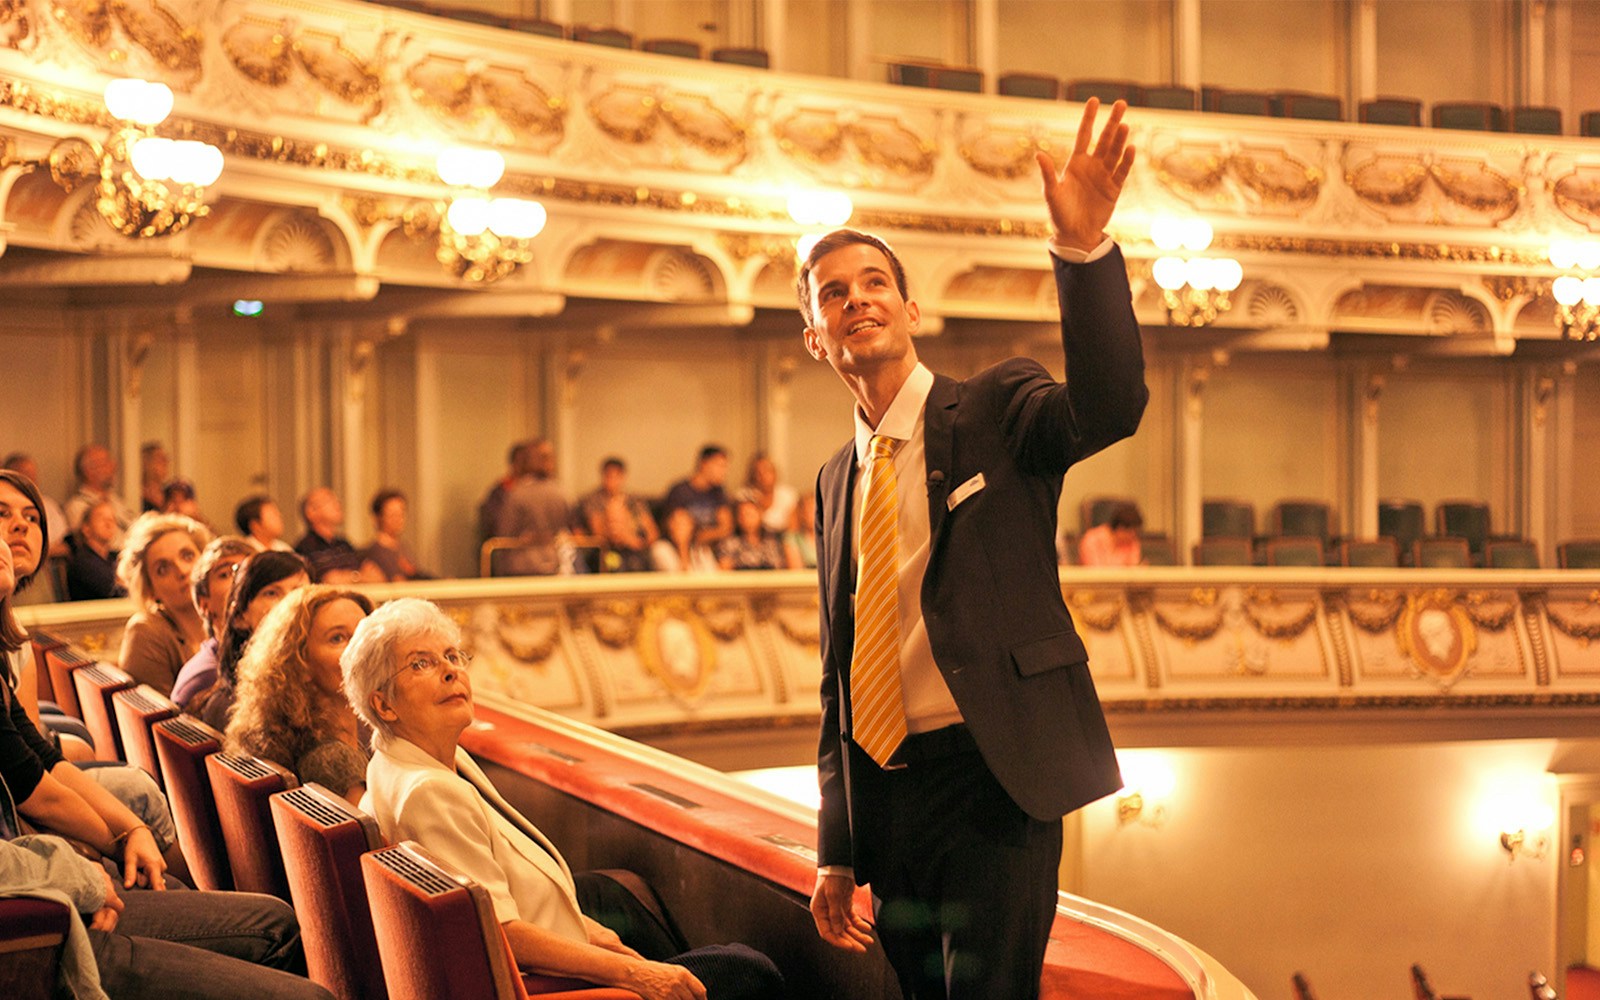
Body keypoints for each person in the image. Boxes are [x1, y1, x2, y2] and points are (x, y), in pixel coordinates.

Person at [800, 99, 1144, 1000]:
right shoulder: (837, 478)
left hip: (996, 780)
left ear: (911, 308)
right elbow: (838, 670)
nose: (856, 300)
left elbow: (1109, 407)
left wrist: (1085, 253)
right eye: (833, 294)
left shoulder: (995, 406)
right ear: (816, 338)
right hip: (889, 795)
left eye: (873, 283)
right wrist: (838, 848)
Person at [342, 598, 785, 1000]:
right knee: (747, 969)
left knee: (651, 916)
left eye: (452, 656)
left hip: (556, 957)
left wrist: (591, 933)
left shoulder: (411, 760)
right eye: (421, 664)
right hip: (547, 984)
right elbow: (501, 934)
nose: (450, 671)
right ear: (384, 705)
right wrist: (635, 974)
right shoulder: (427, 791)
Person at [0, 537, 186, 892]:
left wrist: (133, 830)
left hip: (39, 863)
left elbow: (43, 758)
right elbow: (33, 791)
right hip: (27, 894)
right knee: (271, 922)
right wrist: (112, 847)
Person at [0, 834, 335, 1000]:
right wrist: (83, 880)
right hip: (35, 939)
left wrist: (131, 829)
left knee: (274, 922)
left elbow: (32, 764)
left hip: (47, 895)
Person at [226, 586, 374, 805]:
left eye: (365, 634)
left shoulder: (292, 735)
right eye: (337, 638)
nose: (361, 649)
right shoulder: (333, 761)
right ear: (299, 663)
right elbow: (377, 840)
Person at [187, 551, 310, 728]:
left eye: (299, 591)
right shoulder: (232, 706)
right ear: (240, 617)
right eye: (272, 593)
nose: (289, 602)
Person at [115, 512, 214, 693]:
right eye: (163, 569)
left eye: (188, 556)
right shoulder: (145, 632)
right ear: (150, 589)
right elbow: (161, 718)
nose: (182, 571)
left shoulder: (232, 617)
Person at [170, 536, 258, 708]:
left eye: (250, 572)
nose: (242, 580)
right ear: (204, 603)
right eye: (226, 574)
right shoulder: (210, 678)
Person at [492, 438, 571, 576]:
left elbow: (505, 531)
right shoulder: (560, 493)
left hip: (520, 564)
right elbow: (565, 524)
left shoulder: (517, 493)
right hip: (551, 561)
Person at [578, 457, 658, 573]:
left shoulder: (635, 501)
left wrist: (632, 540)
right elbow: (598, 533)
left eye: (616, 476)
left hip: (634, 550)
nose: (612, 481)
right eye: (609, 476)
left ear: (623, 477)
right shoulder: (592, 500)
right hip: (606, 551)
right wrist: (614, 530)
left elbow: (652, 533)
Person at [62, 443, 135, 543]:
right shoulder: (77, 507)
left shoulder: (116, 500)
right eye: (106, 462)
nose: (114, 467)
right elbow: (93, 546)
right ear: (89, 472)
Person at [663, 446, 733, 548]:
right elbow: (677, 528)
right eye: (720, 466)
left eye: (726, 467)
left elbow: (726, 527)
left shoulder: (718, 491)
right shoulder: (680, 491)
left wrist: (703, 536)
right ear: (704, 464)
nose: (724, 472)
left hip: (709, 548)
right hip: (681, 547)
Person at [358, 489, 432, 582]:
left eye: (401, 514)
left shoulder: (403, 548)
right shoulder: (374, 552)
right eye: (392, 514)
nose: (398, 519)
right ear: (378, 518)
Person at [293, 488, 362, 583]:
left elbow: (366, 574)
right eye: (329, 500)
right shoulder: (305, 548)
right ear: (311, 512)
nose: (337, 504)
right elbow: (327, 580)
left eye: (336, 500)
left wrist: (353, 577)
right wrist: (355, 577)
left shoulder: (343, 544)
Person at [65, 499, 126, 601]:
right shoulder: (82, 563)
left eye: (112, 519)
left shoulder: (114, 557)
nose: (109, 523)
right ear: (86, 528)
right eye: (102, 518)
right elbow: (115, 592)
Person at [479, 439, 535, 547]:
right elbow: (495, 525)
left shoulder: (539, 492)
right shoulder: (500, 492)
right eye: (522, 462)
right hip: (510, 550)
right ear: (513, 464)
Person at [717, 500, 796, 570]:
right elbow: (724, 571)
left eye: (749, 514)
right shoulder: (729, 543)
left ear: (760, 514)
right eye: (741, 515)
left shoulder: (773, 539)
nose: (745, 518)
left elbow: (781, 567)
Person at [740, 453, 798, 535]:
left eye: (767, 470)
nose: (763, 476)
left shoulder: (787, 495)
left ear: (775, 473)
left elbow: (793, 527)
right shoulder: (744, 495)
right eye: (758, 472)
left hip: (783, 540)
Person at [650, 508, 718, 574]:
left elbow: (713, 575)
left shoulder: (702, 551)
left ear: (692, 526)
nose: (679, 527)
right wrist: (682, 546)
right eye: (675, 523)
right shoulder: (660, 549)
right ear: (669, 526)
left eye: (683, 523)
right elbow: (677, 577)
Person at [1078, 503, 1143, 567]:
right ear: (1121, 529)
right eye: (1131, 533)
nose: (1133, 537)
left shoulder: (1132, 543)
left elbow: (1133, 571)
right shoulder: (1091, 540)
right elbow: (1095, 572)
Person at [139, 441, 170, 513]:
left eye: (166, 459)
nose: (165, 462)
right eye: (160, 459)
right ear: (146, 463)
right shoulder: (138, 495)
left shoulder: (170, 493)